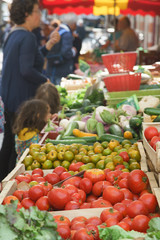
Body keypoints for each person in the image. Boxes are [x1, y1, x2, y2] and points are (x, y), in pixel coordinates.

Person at [0, 0, 60, 181]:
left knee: (9, 144)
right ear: (27, 14)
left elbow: (31, 59)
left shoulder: (14, 33)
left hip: (10, 98)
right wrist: (45, 80)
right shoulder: (27, 37)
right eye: (36, 11)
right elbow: (26, 69)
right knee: (14, 149)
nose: (39, 15)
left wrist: (48, 46)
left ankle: (3, 181)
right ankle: (8, 182)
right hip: (21, 100)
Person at [46, 13, 77, 85]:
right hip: (61, 69)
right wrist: (73, 51)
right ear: (72, 24)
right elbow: (66, 52)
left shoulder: (57, 30)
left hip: (51, 67)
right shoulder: (67, 34)